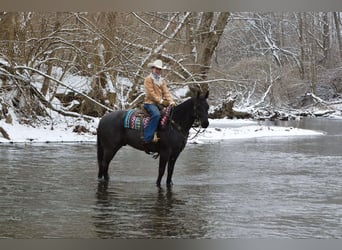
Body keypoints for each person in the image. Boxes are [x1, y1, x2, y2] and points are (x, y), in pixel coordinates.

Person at [143, 59, 175, 144]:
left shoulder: (162, 80)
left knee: (170, 114)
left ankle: (165, 137)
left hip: (158, 104)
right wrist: (161, 101)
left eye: (159, 69)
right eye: (156, 68)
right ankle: (147, 138)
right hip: (149, 103)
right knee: (156, 115)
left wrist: (171, 101)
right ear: (152, 68)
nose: (158, 71)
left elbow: (166, 92)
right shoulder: (148, 79)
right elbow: (150, 93)